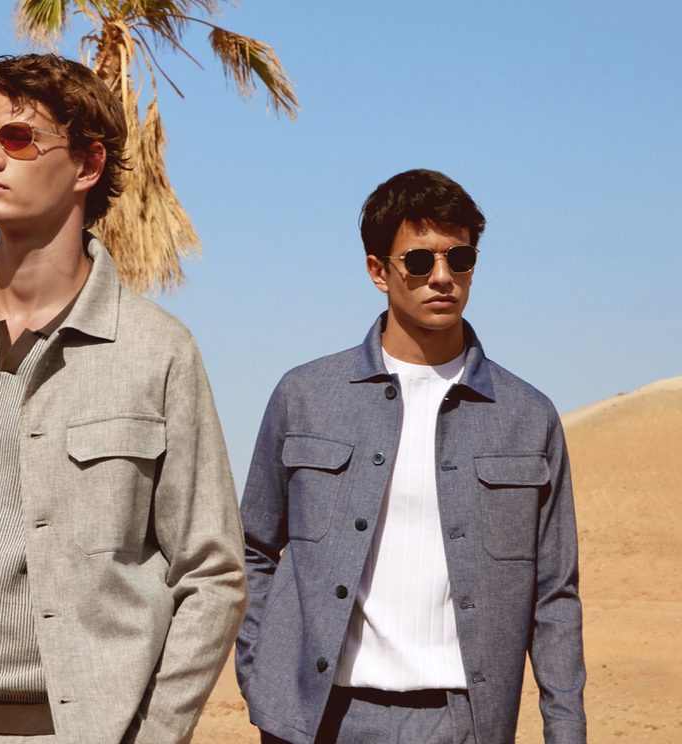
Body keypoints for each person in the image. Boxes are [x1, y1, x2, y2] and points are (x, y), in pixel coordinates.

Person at [0, 53, 246, 744]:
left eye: (18, 138)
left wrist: (154, 734)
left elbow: (213, 573)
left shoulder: (158, 351)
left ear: (87, 164)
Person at [235, 169, 586, 743]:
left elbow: (555, 593)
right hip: (319, 721)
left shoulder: (528, 416)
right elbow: (253, 547)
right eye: (419, 262)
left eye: (460, 259)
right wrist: (261, 675)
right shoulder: (306, 397)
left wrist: (566, 730)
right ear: (379, 271)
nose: (442, 278)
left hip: (464, 722)